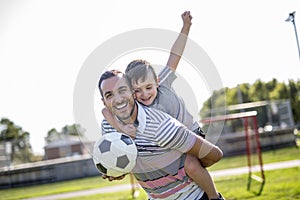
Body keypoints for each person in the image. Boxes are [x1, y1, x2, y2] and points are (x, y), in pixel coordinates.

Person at [102, 11, 222, 199]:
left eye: (148, 87)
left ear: (156, 81)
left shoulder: (162, 82)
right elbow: (105, 111)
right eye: (137, 91)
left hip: (191, 134)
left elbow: (175, 55)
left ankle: (214, 196)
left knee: (191, 166)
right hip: (171, 145)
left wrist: (185, 27)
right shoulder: (135, 108)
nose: (144, 94)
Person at [98, 69, 224, 200]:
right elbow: (129, 159)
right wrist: (118, 170)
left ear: (133, 92)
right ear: (104, 102)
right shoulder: (108, 128)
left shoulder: (161, 127)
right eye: (109, 95)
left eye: (122, 90)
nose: (117, 99)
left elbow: (214, 154)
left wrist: (188, 166)